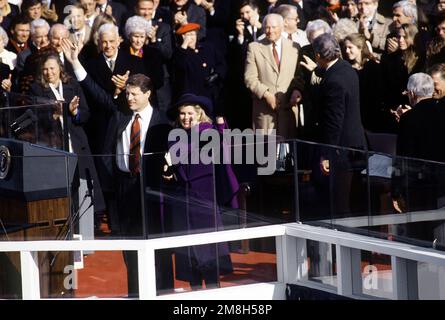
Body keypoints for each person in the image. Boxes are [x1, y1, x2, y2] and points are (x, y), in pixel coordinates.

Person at [62, 38, 173, 296]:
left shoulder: (162, 123)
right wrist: (75, 62)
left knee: (159, 247)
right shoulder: (121, 113)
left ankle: (164, 294)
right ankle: (136, 293)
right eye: (127, 94)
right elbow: (96, 92)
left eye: (134, 94)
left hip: (153, 190)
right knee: (131, 248)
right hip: (125, 187)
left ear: (148, 94)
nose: (130, 98)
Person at [163, 93, 237, 290]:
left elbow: (223, 143)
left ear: (199, 114)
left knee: (209, 259)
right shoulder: (175, 136)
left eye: (189, 113)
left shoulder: (207, 132)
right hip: (184, 203)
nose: (185, 117)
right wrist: (169, 172)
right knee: (191, 263)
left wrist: (221, 122)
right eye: (182, 114)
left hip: (205, 201)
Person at [29, 53, 105, 240]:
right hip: (53, 146)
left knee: (83, 187)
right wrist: (52, 115)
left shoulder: (72, 86)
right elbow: (34, 119)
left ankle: (87, 231)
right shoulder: (36, 90)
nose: (49, 73)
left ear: (60, 69)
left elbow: (86, 114)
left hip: (77, 145)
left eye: (52, 68)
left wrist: (74, 112)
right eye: (45, 69)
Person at [312, 33, 367, 218]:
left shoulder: (334, 80)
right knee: (354, 204)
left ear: (318, 55)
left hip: (342, 152)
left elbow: (334, 121)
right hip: (355, 147)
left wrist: (328, 154)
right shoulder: (347, 69)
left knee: (341, 207)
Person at [244, 13, 302, 138]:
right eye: (267, 27)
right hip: (265, 112)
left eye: (274, 27)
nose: (270, 31)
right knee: (266, 154)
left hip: (288, 110)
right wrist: (266, 94)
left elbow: (298, 76)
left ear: (281, 27)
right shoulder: (254, 48)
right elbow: (250, 78)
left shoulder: (294, 47)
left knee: (289, 153)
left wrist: (296, 91)